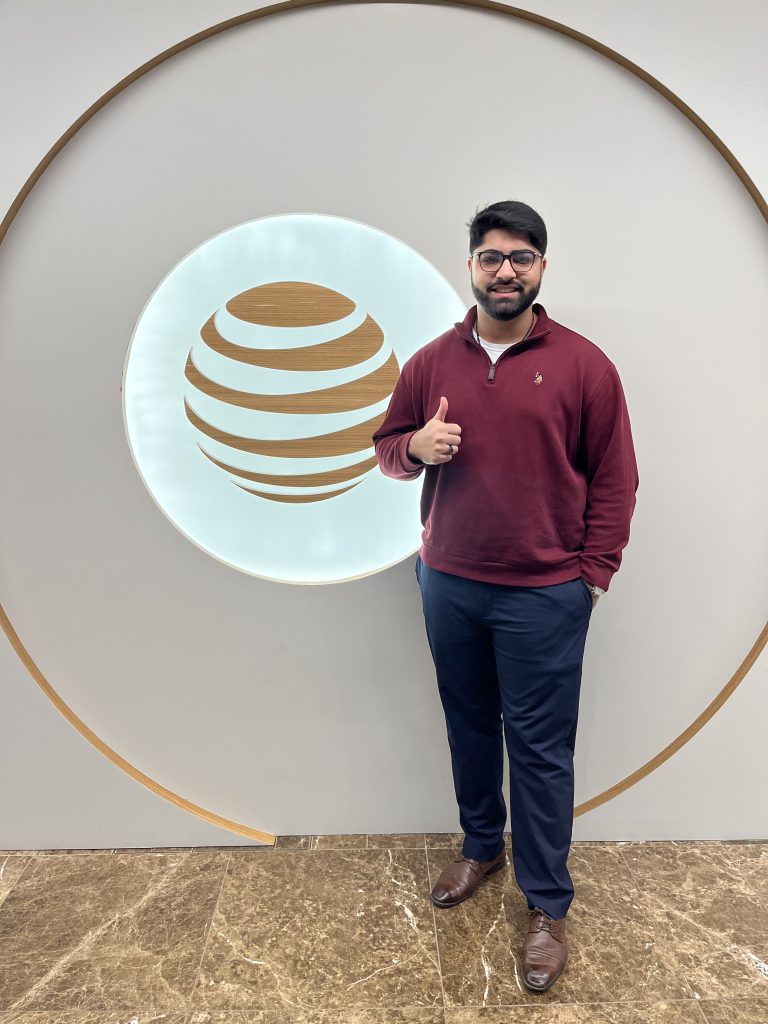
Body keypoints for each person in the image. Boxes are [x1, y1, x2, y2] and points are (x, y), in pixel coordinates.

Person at [373, 200, 638, 993]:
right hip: (448, 581)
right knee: (466, 725)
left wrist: (591, 575)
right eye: (492, 257)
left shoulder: (586, 366)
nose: (505, 271)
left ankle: (548, 907)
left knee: (541, 750)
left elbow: (616, 480)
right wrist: (415, 448)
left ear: (542, 269)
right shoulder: (429, 363)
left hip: (544, 594)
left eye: (521, 257)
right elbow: (386, 451)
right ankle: (481, 845)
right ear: (472, 268)